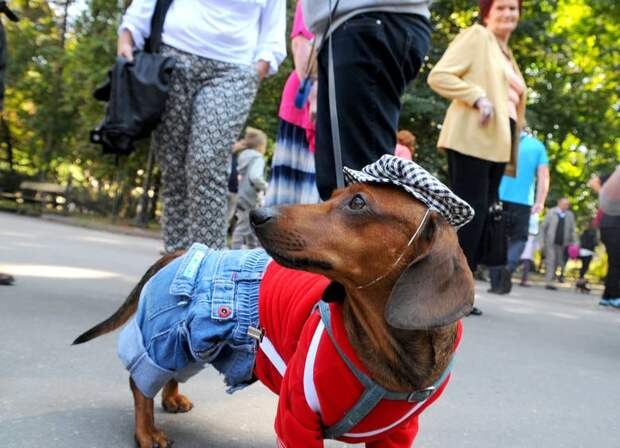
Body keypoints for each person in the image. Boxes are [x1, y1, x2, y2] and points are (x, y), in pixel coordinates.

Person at [117, 0, 286, 253]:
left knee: (206, 164)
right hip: (171, 59)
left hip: (233, 70)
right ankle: (175, 262)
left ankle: (209, 272)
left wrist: (257, 70)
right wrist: (127, 37)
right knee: (173, 170)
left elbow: (273, 32)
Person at [428, 0, 526, 315]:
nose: (509, 13)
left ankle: (461, 291)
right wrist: (477, 97)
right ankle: (447, 292)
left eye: (514, 8)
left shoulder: (506, 53)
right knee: (469, 216)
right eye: (502, 8)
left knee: (479, 219)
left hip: (496, 144)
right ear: (487, 13)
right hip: (472, 138)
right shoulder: (476, 36)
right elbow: (439, 75)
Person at [302, 0, 432, 201]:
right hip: (347, 26)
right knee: (340, 180)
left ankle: (363, 231)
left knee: (356, 183)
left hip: (368, 21)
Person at [264, 2, 320, 207]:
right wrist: (314, 93)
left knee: (312, 191)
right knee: (294, 192)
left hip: (332, 102)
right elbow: (301, 44)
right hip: (306, 102)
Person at [488, 131, 549, 294]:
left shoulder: (503, 140)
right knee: (519, 239)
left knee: (497, 239)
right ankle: (510, 265)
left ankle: (495, 284)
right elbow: (543, 176)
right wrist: (540, 201)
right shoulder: (537, 146)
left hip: (499, 197)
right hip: (523, 202)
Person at [231, 127, 269, 250]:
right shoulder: (258, 158)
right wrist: (266, 186)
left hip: (240, 194)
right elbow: (255, 177)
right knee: (243, 226)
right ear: (261, 145)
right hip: (249, 196)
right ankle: (234, 253)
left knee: (250, 225)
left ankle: (252, 251)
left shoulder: (243, 155)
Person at [591, 168, 620, 307]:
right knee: (616, 263)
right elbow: (594, 182)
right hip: (613, 225)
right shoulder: (615, 176)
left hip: (608, 225)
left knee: (614, 262)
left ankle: (607, 296)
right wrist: (603, 196)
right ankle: (614, 297)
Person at [540, 198, 577, 290]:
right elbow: (543, 227)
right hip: (550, 242)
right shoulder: (551, 212)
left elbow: (573, 230)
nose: (566, 206)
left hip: (562, 244)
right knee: (551, 261)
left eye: (567, 204)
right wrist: (541, 240)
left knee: (558, 262)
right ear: (559, 203)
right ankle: (549, 282)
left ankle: (552, 279)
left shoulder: (569, 215)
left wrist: (575, 243)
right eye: (564, 204)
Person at [575, 220, 598, 292]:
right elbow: (595, 243)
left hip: (582, 251)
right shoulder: (594, 233)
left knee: (583, 267)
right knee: (585, 267)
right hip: (588, 252)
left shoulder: (585, 232)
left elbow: (580, 241)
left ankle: (581, 281)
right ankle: (581, 282)